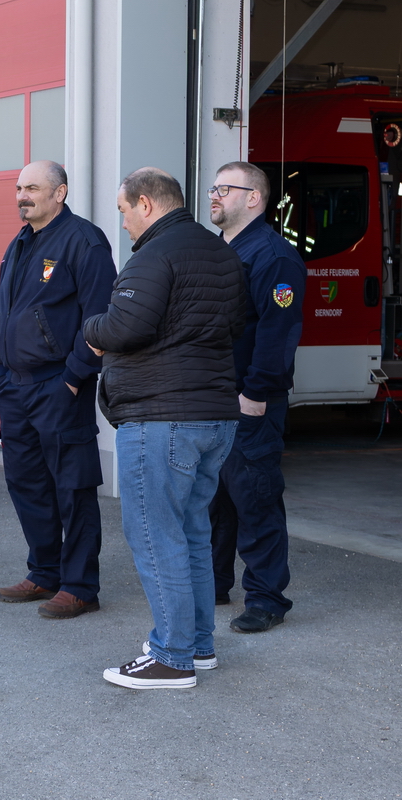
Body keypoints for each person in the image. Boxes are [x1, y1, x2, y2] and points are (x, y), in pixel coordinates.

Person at [84, 167, 245, 689]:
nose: (124, 222)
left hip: (161, 418)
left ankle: (172, 657)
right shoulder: (221, 252)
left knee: (156, 535)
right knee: (191, 531)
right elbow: (237, 324)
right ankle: (197, 645)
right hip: (214, 416)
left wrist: (90, 328)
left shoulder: (154, 255)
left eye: (124, 210)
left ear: (146, 204)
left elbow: (125, 326)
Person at [0, 161, 116, 619]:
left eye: (32, 188)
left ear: (59, 193)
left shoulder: (84, 241)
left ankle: (80, 586)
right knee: (26, 481)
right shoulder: (21, 242)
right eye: (18, 188)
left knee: (72, 486)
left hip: (59, 386)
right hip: (16, 386)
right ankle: (44, 572)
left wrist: (73, 377)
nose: (21, 196)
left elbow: (101, 318)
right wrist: (2, 369)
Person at [207, 162, 305, 633]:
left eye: (225, 188)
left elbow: (277, 331)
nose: (214, 195)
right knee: (214, 497)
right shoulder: (218, 250)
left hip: (249, 399)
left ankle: (266, 598)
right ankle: (214, 582)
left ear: (254, 198)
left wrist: (256, 392)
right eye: (213, 187)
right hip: (212, 398)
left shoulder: (273, 256)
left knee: (255, 496)